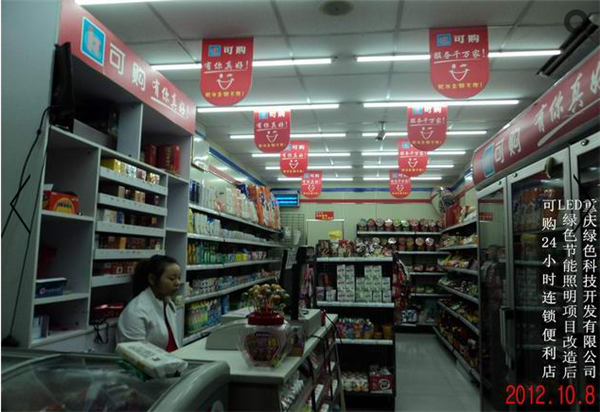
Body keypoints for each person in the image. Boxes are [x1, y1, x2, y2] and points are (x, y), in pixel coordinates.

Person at [117, 255, 182, 352]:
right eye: (172, 278)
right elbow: (136, 354)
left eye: (179, 278)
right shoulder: (136, 312)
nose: (178, 283)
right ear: (152, 279)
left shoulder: (166, 303)